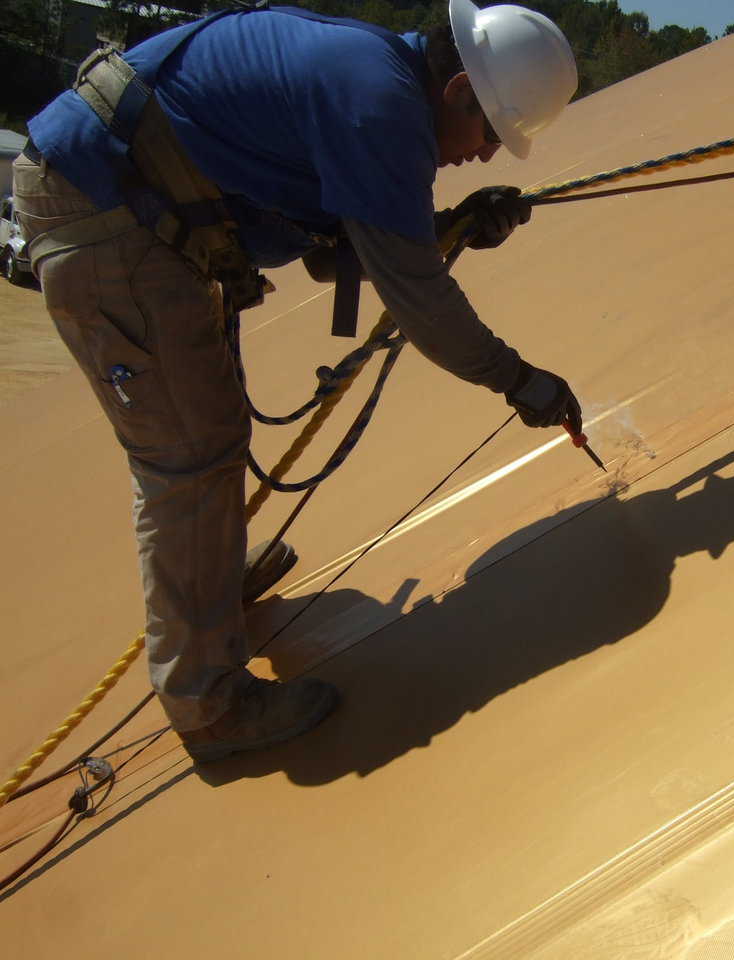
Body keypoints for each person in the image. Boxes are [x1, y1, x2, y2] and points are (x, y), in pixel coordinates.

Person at [13, 0, 583, 762]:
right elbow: (419, 303)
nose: (483, 157)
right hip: (105, 214)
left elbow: (340, 247)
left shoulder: (377, 74)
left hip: (125, 203)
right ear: (454, 93)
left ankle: (209, 577)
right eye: (489, 136)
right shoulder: (378, 103)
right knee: (187, 455)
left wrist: (446, 226)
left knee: (206, 434)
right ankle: (207, 704)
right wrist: (519, 380)